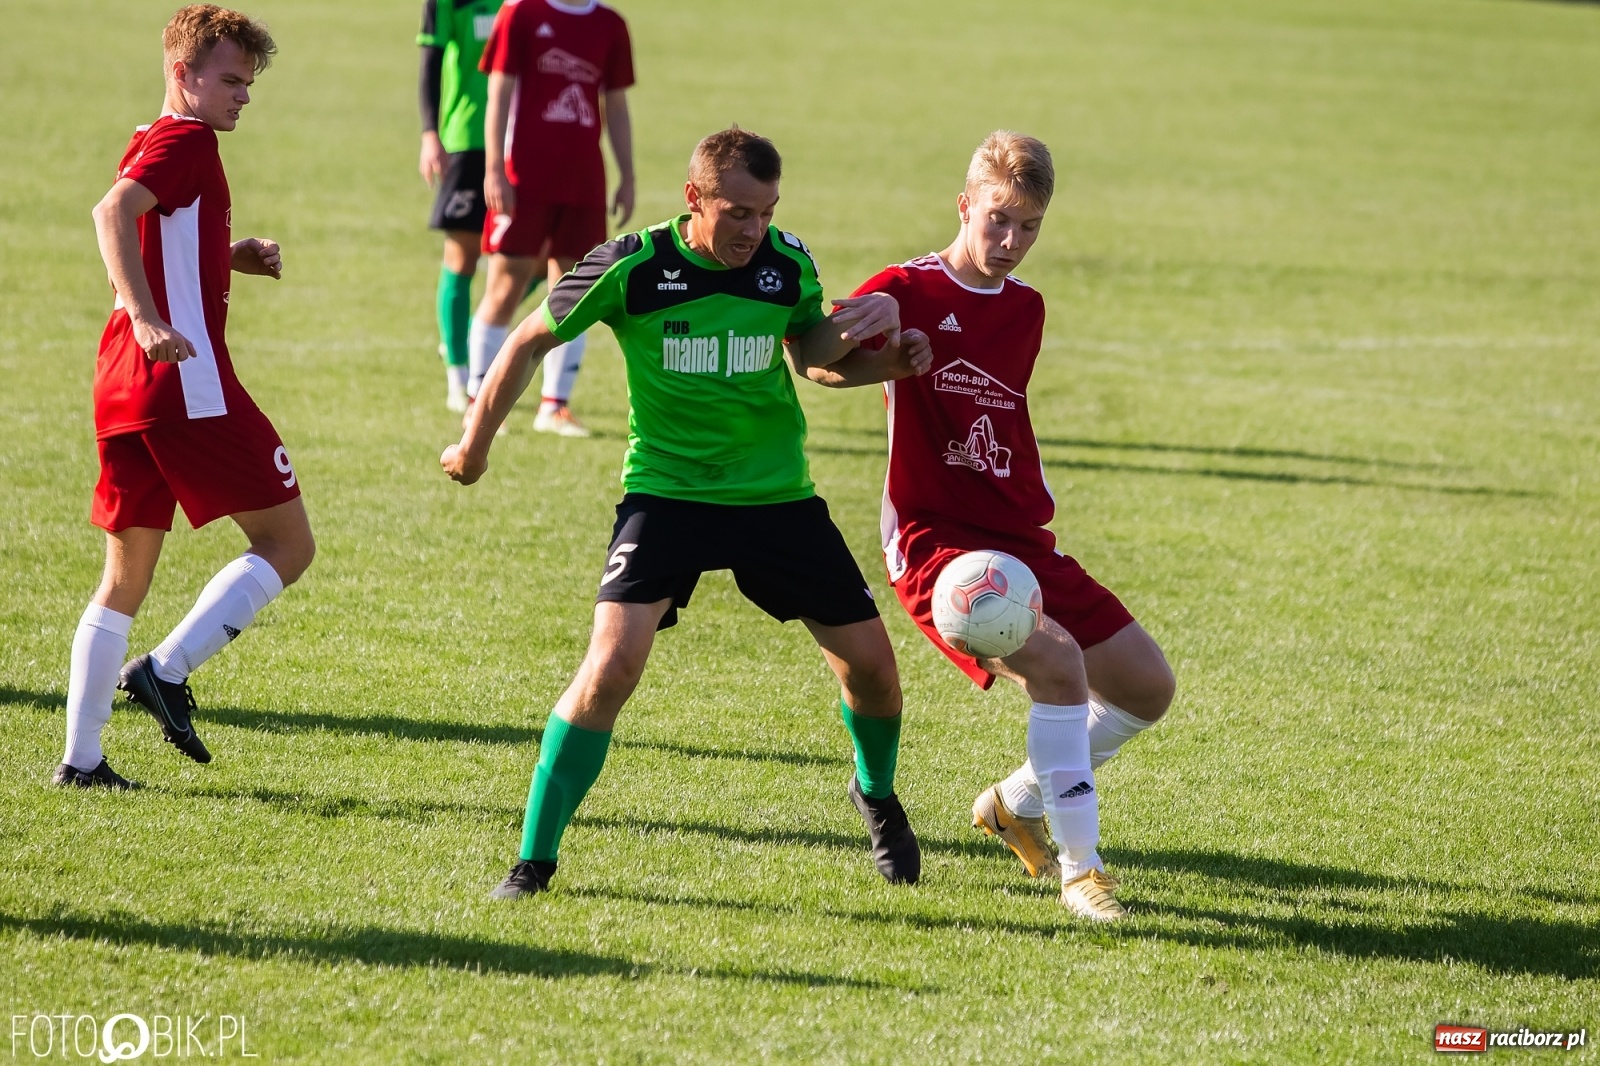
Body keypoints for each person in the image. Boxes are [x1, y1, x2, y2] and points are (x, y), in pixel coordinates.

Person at [441, 128, 933, 898]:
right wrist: (474, 445)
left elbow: (811, 359)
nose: (753, 230)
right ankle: (533, 862)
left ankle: (875, 794)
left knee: (874, 672)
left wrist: (883, 361)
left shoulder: (785, 262)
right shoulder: (632, 265)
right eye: (737, 211)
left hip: (775, 498)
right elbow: (528, 341)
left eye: (766, 212)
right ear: (694, 197)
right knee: (609, 669)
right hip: (667, 496)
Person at [811, 131, 1176, 920]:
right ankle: (1083, 871)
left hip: (1020, 538)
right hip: (936, 545)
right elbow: (814, 359)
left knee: (1148, 687)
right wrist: (863, 340)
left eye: (1031, 227)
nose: (1012, 243)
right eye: (999, 221)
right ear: (966, 204)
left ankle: (1013, 803)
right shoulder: (905, 286)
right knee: (1060, 668)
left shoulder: (1026, 310)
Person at [54, 4, 315, 789]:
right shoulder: (187, 140)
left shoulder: (152, 136)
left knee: (124, 577)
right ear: (183, 74)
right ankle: (165, 671)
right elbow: (113, 213)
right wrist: (146, 316)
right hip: (182, 381)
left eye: (249, 83)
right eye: (230, 80)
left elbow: (153, 227)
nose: (243, 96)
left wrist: (225, 255)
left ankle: (82, 759)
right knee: (288, 544)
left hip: (123, 385)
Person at [466, 0, 636, 437]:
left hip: (583, 182)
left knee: (574, 292)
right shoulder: (520, 13)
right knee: (506, 286)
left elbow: (614, 104)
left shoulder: (610, 24)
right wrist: (494, 169)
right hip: (524, 177)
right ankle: (476, 401)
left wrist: (627, 173)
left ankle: (555, 405)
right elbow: (499, 93)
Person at [417, 0, 504, 413]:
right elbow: (431, 60)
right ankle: (458, 375)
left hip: (519, 141)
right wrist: (430, 133)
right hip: (468, 138)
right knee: (462, 258)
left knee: (541, 260)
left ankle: (470, 333)